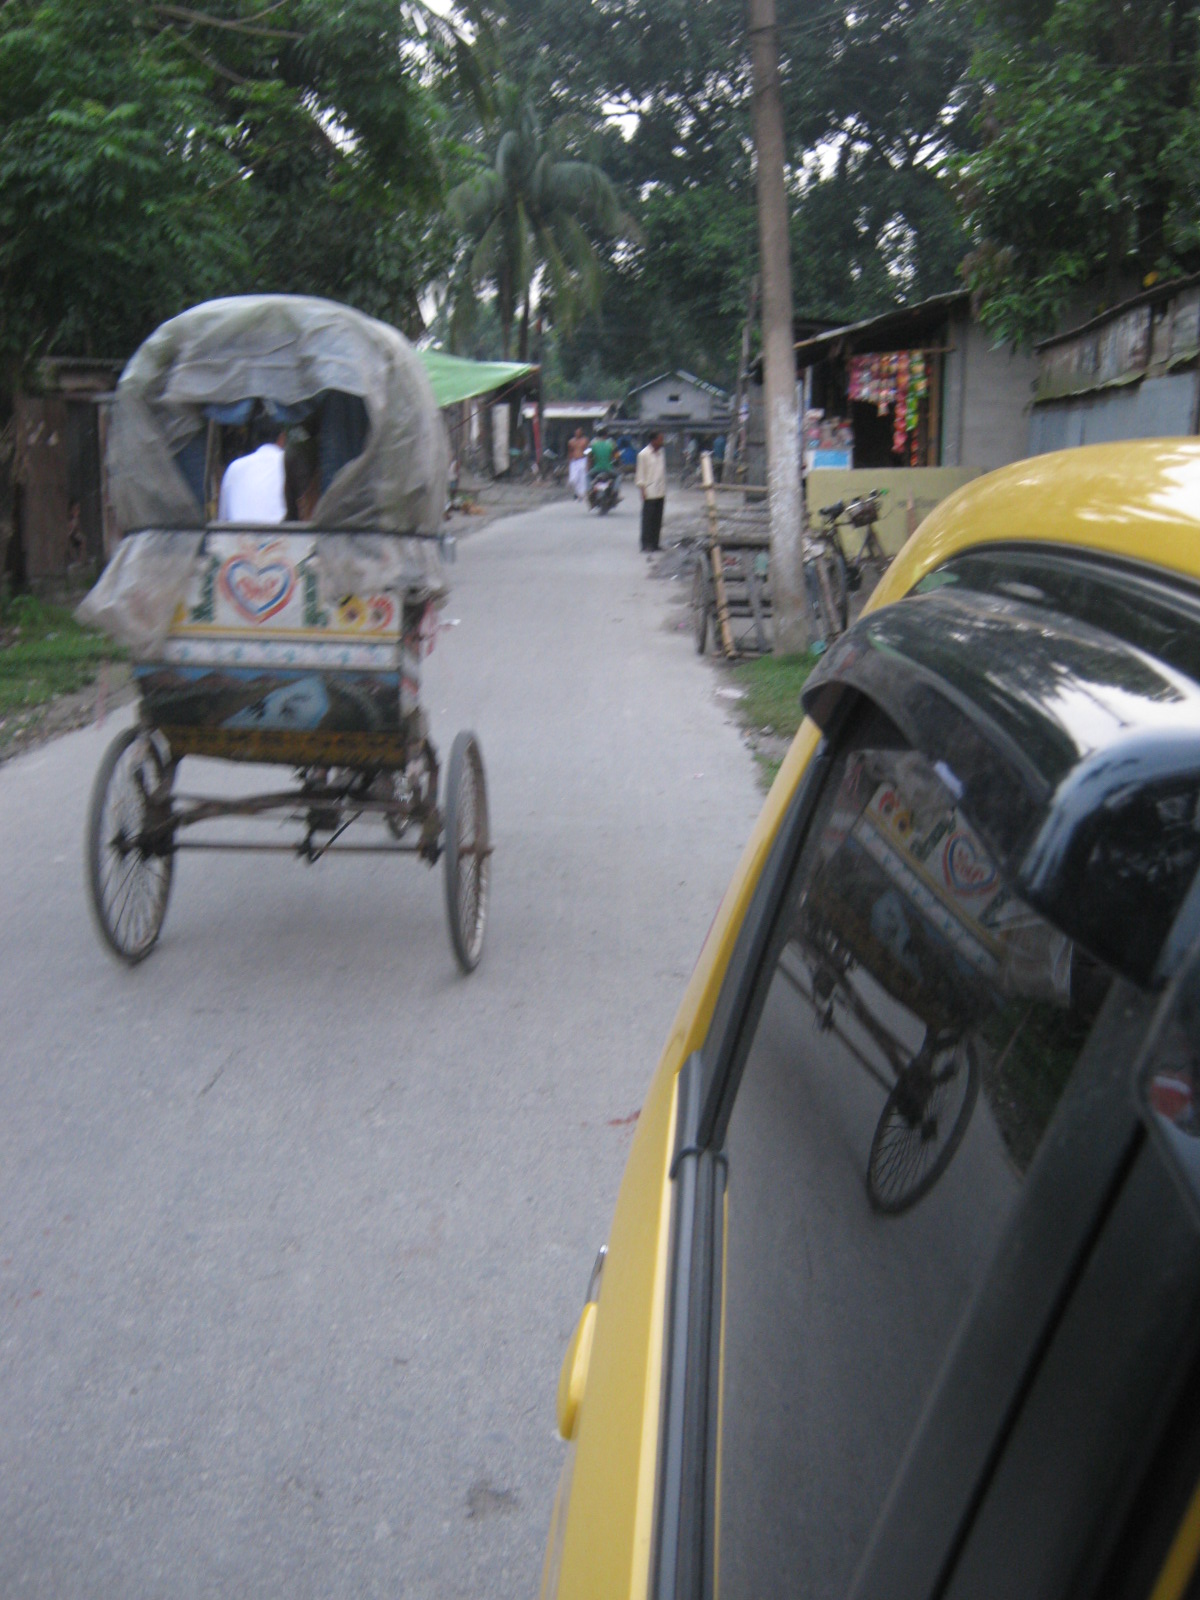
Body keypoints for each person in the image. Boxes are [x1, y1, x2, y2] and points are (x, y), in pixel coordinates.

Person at [218, 410, 288, 523]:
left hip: (238, 533)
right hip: (281, 532)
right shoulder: (287, 461)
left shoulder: (234, 467)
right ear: (282, 437)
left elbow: (223, 518)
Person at [635, 431, 667, 553]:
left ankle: (655, 543)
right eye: (660, 439)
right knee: (648, 519)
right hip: (649, 490)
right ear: (653, 441)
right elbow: (640, 474)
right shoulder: (643, 454)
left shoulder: (661, 453)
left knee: (658, 519)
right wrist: (642, 490)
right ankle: (646, 544)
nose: (662, 442)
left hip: (660, 490)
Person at [567, 426, 589, 499]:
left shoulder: (585, 440)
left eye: (579, 432)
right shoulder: (571, 441)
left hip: (582, 460)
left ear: (581, 433)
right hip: (574, 461)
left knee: (582, 478)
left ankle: (581, 494)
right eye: (576, 432)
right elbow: (570, 452)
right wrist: (569, 462)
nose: (577, 433)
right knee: (573, 479)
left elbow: (588, 450)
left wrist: (588, 461)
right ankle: (576, 492)